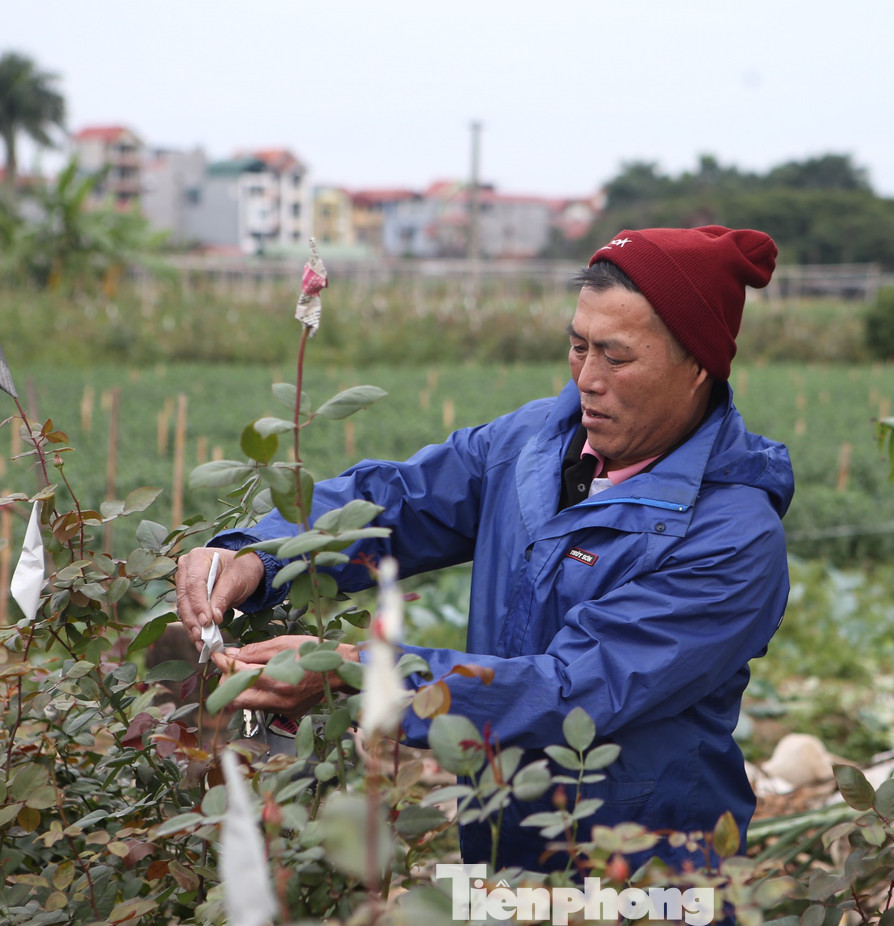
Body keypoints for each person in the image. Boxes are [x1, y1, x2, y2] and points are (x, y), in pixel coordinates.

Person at [176, 225, 794, 873]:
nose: (587, 378)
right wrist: (259, 553)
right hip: (499, 826)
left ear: (698, 366)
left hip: (640, 863)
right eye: (577, 347)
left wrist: (361, 672)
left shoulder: (733, 538)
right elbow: (402, 501)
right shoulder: (535, 441)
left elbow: (573, 691)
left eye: (616, 358)